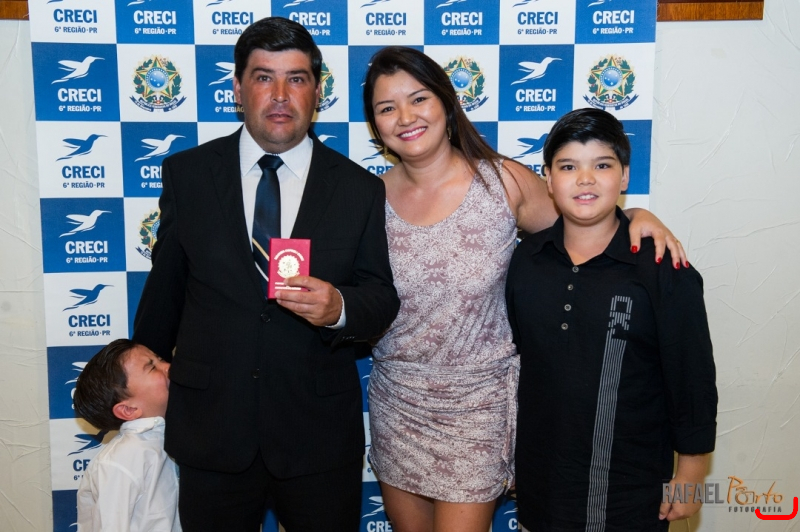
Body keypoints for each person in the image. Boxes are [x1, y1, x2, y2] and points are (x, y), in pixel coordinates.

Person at [362, 46, 689, 532]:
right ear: (375, 125)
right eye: (387, 107)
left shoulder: (503, 182)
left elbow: (584, 217)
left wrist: (638, 215)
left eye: (419, 98)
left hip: (478, 407)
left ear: (447, 103)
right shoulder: (366, 196)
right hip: (398, 401)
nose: (406, 117)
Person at [132, 17, 399, 532]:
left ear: (316, 92)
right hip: (211, 431)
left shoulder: (359, 188)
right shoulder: (188, 175)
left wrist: (339, 308)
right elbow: (164, 294)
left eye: (296, 79)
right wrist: (138, 394)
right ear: (237, 88)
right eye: (263, 77)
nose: (280, 95)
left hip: (317, 437)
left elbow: (380, 297)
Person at [506, 108, 717, 531]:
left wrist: (691, 475)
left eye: (602, 165)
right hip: (542, 484)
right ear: (548, 179)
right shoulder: (526, 260)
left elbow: (691, 375)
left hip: (630, 491)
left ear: (624, 177)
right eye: (568, 167)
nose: (585, 179)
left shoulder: (662, 267)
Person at [73, 339, 180, 532]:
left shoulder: (175, 436)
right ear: (128, 410)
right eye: (152, 367)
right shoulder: (120, 461)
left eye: (160, 359)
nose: (168, 366)